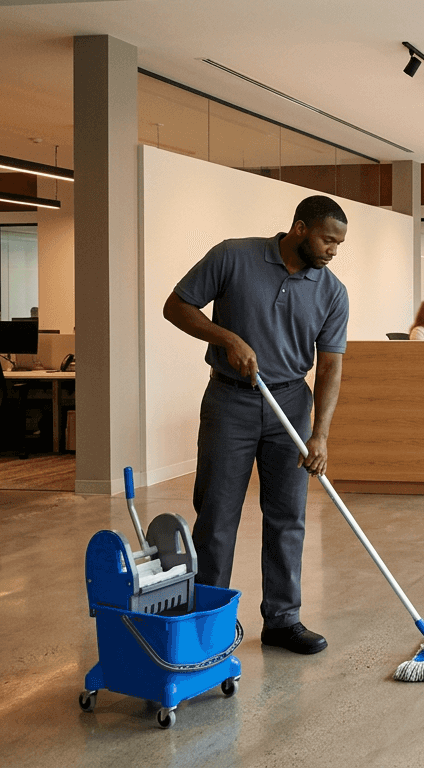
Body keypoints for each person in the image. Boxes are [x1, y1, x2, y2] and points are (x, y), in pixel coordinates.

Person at [162, 195, 350, 655]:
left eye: (339, 244)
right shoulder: (234, 256)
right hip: (230, 401)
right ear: (300, 229)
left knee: (288, 517)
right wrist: (227, 339)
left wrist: (320, 434)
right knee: (217, 515)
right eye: (328, 240)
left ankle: (283, 621)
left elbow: (330, 366)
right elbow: (176, 306)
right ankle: (207, 624)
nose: (333, 251)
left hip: (291, 404)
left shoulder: (332, 291)